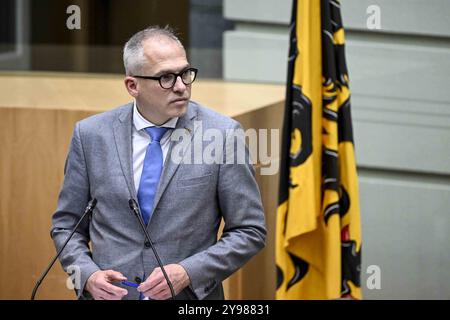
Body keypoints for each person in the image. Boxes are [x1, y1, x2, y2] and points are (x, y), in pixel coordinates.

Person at [50, 26, 266, 300]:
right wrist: (87, 274)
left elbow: (250, 231)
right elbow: (66, 226)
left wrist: (188, 272)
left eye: (185, 73)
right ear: (133, 86)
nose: (180, 86)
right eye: (166, 77)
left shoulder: (223, 136)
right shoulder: (91, 135)